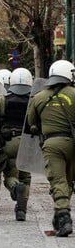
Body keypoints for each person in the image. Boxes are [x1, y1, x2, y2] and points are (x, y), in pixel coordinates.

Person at [26, 60, 75, 237]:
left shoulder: (38, 97)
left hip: (52, 145)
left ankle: (63, 217)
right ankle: (59, 214)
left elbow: (31, 124)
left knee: (58, 180)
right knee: (68, 181)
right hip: (73, 143)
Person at [0, 68, 33, 221]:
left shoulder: (3, 99)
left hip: (9, 142)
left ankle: (16, 188)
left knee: (10, 175)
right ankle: (21, 209)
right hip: (27, 144)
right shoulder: (33, 100)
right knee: (26, 176)